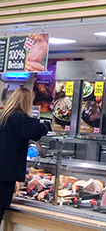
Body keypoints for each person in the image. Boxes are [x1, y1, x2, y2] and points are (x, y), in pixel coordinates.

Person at [0, 87, 49, 223]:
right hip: (4, 179)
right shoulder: (19, 119)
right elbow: (38, 130)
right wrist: (46, 126)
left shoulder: (3, 117)